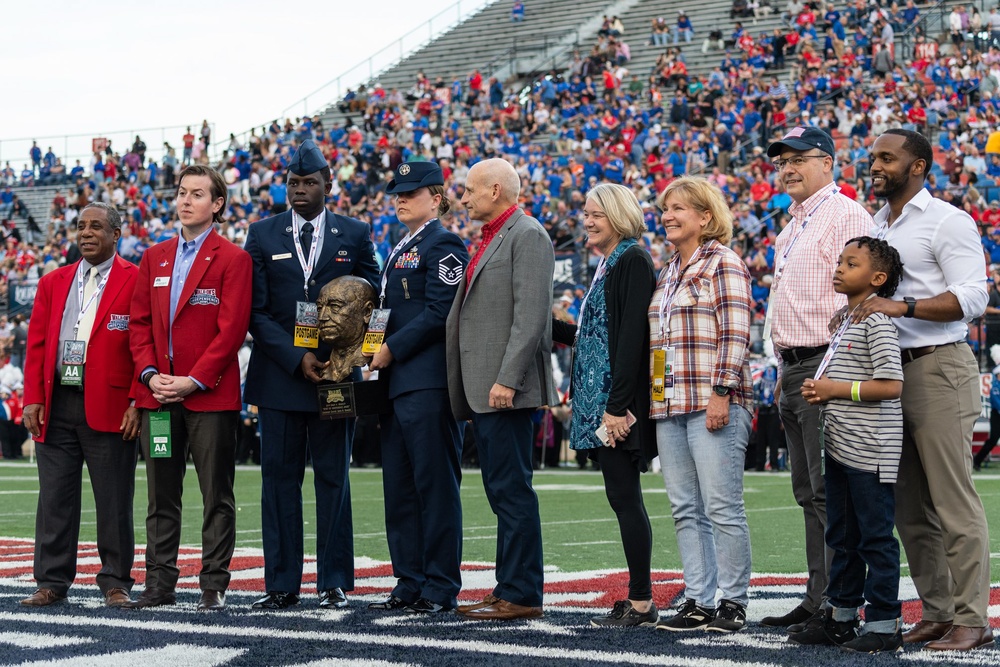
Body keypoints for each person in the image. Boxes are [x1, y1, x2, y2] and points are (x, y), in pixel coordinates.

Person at [857, 129, 993, 651]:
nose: (876, 165)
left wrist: (904, 307)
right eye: (873, 157)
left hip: (937, 367)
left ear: (917, 166)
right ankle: (938, 611)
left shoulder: (947, 219)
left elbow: (975, 295)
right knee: (909, 506)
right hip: (889, 373)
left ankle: (972, 617)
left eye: (887, 158)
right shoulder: (876, 224)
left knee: (951, 500)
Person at [243, 139, 379, 611]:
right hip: (282, 376)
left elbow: (374, 303)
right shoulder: (261, 233)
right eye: (293, 182)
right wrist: (292, 356)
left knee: (333, 479)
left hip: (337, 378)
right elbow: (254, 312)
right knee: (278, 482)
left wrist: (361, 355)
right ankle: (280, 584)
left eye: (309, 183)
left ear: (328, 185)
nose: (299, 190)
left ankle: (334, 580)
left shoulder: (356, 234)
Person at [759, 127, 873, 632]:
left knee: (829, 491)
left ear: (827, 161)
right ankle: (818, 595)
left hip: (827, 364)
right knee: (808, 491)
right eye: (781, 160)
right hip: (794, 366)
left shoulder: (845, 213)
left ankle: (839, 604)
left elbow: (866, 293)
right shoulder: (791, 226)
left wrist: (836, 365)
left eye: (798, 158)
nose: (787, 167)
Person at [124, 165, 252, 611]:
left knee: (216, 493)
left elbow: (231, 330)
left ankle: (213, 585)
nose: (185, 200)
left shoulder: (234, 258)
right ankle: (159, 584)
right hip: (157, 396)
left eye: (197, 194)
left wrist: (193, 379)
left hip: (209, 396)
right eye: (181, 192)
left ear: (216, 204)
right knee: (161, 494)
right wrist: (149, 375)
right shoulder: (154, 256)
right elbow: (138, 325)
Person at [446, 158, 555, 621]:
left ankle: (523, 593)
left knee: (511, 492)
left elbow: (530, 316)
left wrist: (507, 378)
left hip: (504, 388)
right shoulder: (497, 236)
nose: (463, 198)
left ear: (495, 190)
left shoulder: (527, 235)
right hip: (486, 386)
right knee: (502, 491)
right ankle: (509, 585)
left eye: (469, 191)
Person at [20, 202, 140, 607]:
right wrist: (33, 398)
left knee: (113, 500)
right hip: (56, 405)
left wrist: (138, 401)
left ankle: (116, 581)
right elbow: (36, 347)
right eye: (81, 226)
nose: (86, 233)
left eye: (96, 227)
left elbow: (145, 347)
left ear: (116, 235)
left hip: (110, 404)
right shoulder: (53, 281)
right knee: (54, 498)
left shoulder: (135, 279)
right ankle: (51, 580)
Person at [649, 177, 754, 633]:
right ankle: (697, 599)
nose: (667, 215)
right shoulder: (669, 269)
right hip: (670, 404)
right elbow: (660, 344)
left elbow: (735, 332)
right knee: (684, 507)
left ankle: (733, 601)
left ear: (705, 216)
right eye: (665, 209)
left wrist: (722, 393)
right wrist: (656, 399)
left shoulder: (723, 262)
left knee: (721, 505)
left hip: (713, 399)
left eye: (678, 208)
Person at [791, 237, 905, 652]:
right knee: (841, 534)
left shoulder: (875, 321)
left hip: (870, 448)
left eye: (850, 263)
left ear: (877, 278)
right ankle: (841, 617)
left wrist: (836, 388)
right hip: (839, 444)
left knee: (874, 536)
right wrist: (822, 391)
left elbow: (892, 384)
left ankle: (884, 623)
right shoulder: (844, 318)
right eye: (839, 260)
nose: (838, 267)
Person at [550, 183, 657, 627]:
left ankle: (642, 602)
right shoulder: (610, 262)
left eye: (597, 214)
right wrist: (549, 326)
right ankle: (640, 599)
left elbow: (632, 337)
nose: (587, 221)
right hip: (602, 401)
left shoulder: (631, 258)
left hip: (617, 403)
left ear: (619, 215)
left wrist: (617, 407)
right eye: (586, 214)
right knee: (620, 496)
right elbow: (595, 336)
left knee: (625, 497)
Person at [366, 162, 469, 614]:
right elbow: (387, 310)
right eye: (397, 192)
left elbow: (440, 310)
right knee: (400, 489)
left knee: (434, 487)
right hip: (394, 384)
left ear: (436, 196)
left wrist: (390, 349)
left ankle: (440, 586)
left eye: (411, 192)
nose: (400, 198)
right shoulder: (397, 249)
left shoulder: (444, 243)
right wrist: (369, 352)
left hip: (428, 382)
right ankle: (408, 580)